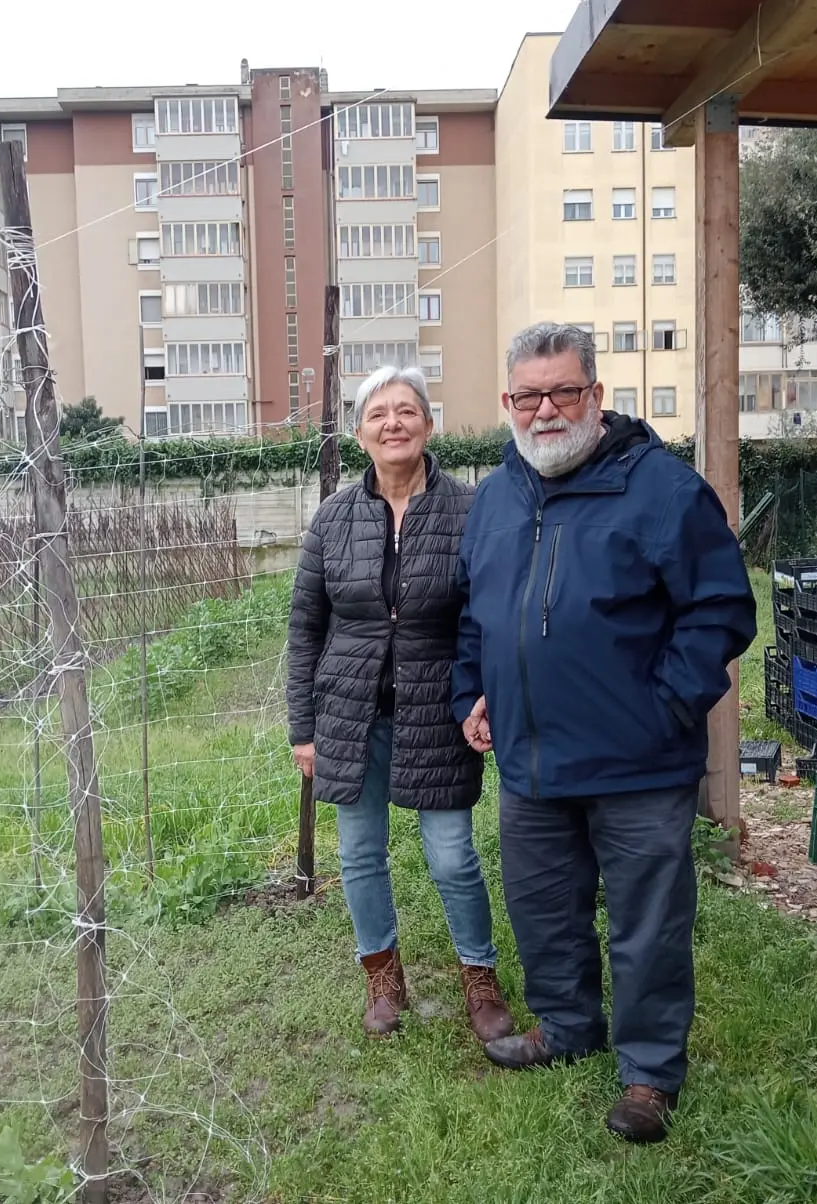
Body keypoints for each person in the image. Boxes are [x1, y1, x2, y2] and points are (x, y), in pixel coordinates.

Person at [452, 322, 756, 1143]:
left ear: (596, 395)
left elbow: (721, 611)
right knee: (543, 909)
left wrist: (666, 704)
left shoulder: (660, 489)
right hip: (530, 762)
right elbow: (475, 617)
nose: (545, 410)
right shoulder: (498, 497)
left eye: (562, 392)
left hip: (639, 762)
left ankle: (650, 1072)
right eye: (528, 395)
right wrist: (472, 693)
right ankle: (566, 1024)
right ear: (507, 403)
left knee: (647, 922)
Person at [287, 365, 514, 1043]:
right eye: (379, 413)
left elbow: (490, 613)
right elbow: (305, 629)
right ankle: (383, 979)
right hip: (348, 714)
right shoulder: (332, 519)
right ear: (360, 435)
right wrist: (304, 728)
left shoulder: (471, 510)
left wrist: (483, 696)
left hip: (436, 709)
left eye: (407, 410)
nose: (394, 423)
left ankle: (479, 976)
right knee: (359, 854)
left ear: (428, 424)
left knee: (451, 856)